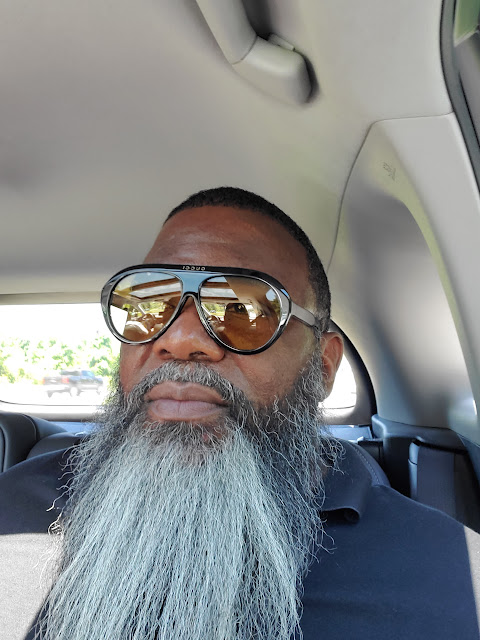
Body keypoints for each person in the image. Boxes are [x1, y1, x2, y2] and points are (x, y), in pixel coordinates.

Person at [1, 186, 480, 640]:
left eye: (241, 310)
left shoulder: (449, 581)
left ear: (322, 367)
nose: (179, 338)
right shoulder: (13, 505)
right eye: (151, 304)